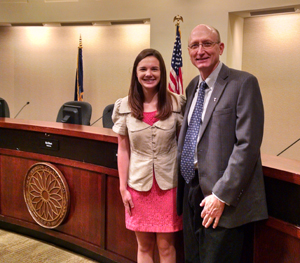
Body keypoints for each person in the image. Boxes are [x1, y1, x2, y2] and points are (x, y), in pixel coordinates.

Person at [176, 24, 268, 263]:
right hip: (191, 189)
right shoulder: (193, 86)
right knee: (192, 258)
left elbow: (247, 146)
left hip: (222, 198)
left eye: (207, 44)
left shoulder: (243, 83)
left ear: (220, 47)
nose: (200, 51)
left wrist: (221, 196)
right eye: (194, 45)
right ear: (188, 51)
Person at [112, 48, 186, 263]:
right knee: (144, 246)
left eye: (154, 69)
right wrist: (122, 187)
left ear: (162, 72)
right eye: (143, 69)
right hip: (138, 187)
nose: (148, 73)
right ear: (136, 73)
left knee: (166, 247)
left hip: (169, 187)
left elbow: (183, 146)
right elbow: (123, 150)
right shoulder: (124, 106)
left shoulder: (176, 104)